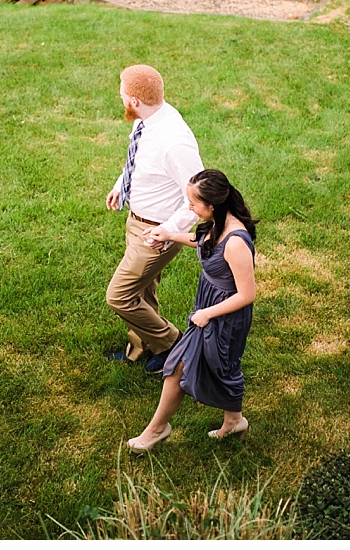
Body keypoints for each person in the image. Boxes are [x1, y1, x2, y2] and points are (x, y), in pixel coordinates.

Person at [126, 169, 258, 452]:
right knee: (218, 366)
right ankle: (234, 420)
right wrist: (171, 235)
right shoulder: (216, 224)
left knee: (183, 366)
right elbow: (204, 244)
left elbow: (247, 294)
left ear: (212, 206)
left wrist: (208, 313)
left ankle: (156, 430)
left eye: (194, 203)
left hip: (225, 315)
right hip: (209, 307)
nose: (189, 207)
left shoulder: (235, 241)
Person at [105, 64, 204, 373]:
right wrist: (120, 186)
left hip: (156, 233)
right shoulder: (147, 119)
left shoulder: (174, 142)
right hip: (137, 221)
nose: (120, 99)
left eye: (122, 94)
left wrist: (167, 231)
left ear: (134, 100)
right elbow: (138, 160)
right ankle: (143, 348)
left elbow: (198, 202)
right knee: (142, 291)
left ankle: (174, 345)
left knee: (119, 296)